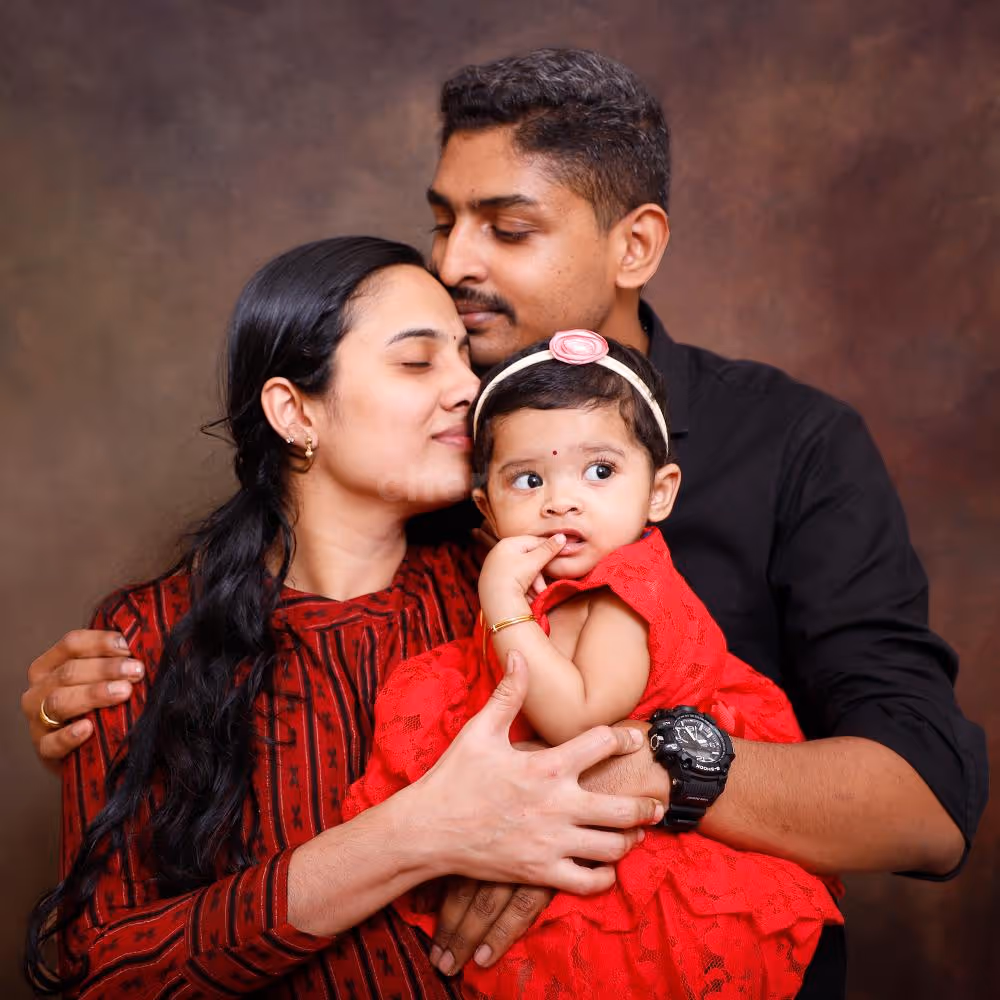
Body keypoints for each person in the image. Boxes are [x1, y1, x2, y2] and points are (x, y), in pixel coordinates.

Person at [22, 49, 987, 996]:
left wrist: (640, 773)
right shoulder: (443, 462)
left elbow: (928, 804)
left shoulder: (792, 443)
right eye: (443, 220)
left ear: (634, 246)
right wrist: (127, 701)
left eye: (507, 228)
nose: (452, 262)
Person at [24, 237, 665, 998]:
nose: (471, 387)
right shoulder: (144, 639)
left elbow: (699, 710)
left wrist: (654, 759)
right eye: (419, 361)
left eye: (467, 357)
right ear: (295, 412)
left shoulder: (516, 592)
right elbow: (103, 969)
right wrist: (414, 834)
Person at [342, 330, 844, 999]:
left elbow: (575, 716)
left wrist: (500, 601)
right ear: (487, 507)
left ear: (660, 492)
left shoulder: (625, 593)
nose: (562, 500)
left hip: (640, 857)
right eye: (529, 479)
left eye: (600, 472)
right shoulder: (561, 589)